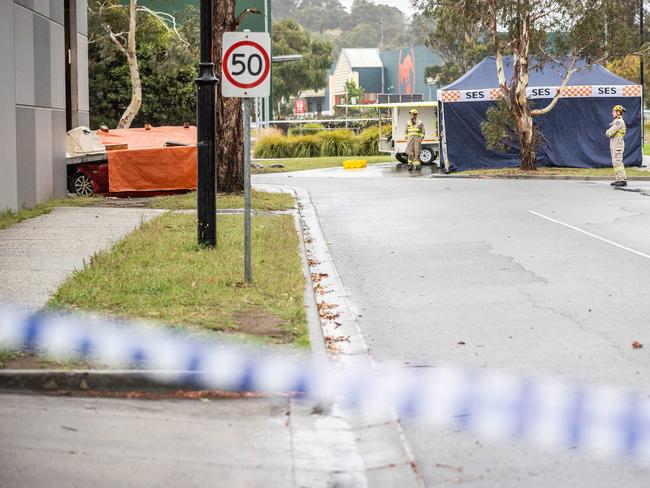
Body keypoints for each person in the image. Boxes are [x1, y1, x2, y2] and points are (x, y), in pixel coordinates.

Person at [606, 104, 627, 187]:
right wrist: (609, 132)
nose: (612, 113)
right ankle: (618, 179)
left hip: (617, 144)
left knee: (617, 161)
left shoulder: (619, 122)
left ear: (618, 112)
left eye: (613, 111)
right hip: (615, 143)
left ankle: (622, 179)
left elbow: (609, 133)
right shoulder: (616, 121)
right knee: (615, 161)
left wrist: (608, 132)